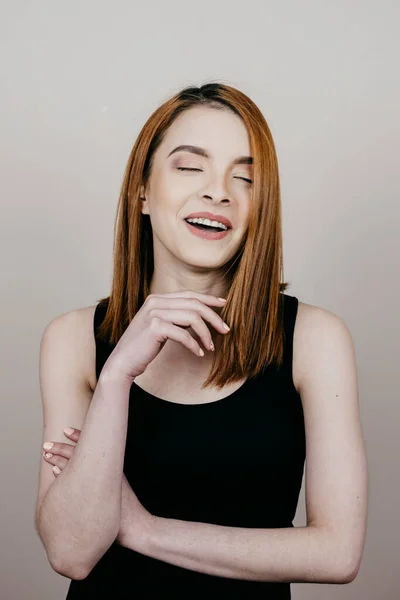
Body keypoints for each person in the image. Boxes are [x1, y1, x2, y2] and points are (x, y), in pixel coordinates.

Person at [35, 82, 368, 599]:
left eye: (245, 178)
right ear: (141, 191)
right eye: (190, 167)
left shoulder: (316, 339)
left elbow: (338, 553)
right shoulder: (73, 339)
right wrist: (118, 373)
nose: (219, 192)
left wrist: (143, 529)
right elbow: (70, 552)